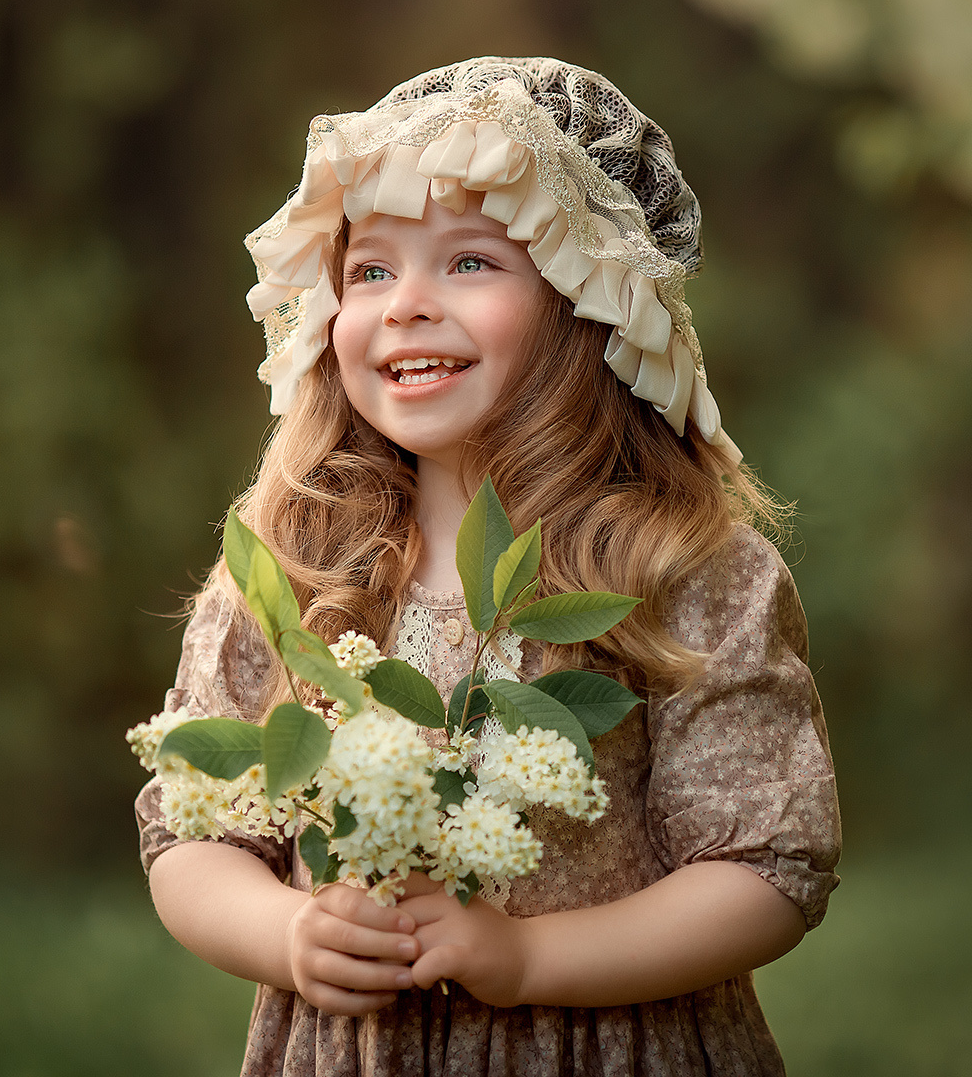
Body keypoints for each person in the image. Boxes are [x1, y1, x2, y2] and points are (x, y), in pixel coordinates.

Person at [135, 57, 841, 1076]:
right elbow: (192, 840)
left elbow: (765, 874)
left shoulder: (684, 568)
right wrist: (289, 934)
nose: (406, 305)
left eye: (469, 262)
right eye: (371, 272)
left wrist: (527, 958)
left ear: (587, 299)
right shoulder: (295, 563)